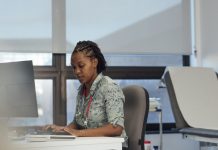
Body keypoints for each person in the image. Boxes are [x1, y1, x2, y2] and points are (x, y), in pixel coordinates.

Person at [44, 40, 127, 148]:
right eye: (74, 67)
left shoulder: (109, 87)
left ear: (94, 63)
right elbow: (77, 123)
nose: (77, 71)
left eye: (81, 66)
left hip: (111, 146)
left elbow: (116, 128)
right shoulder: (82, 90)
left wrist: (79, 133)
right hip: (90, 145)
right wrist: (63, 129)